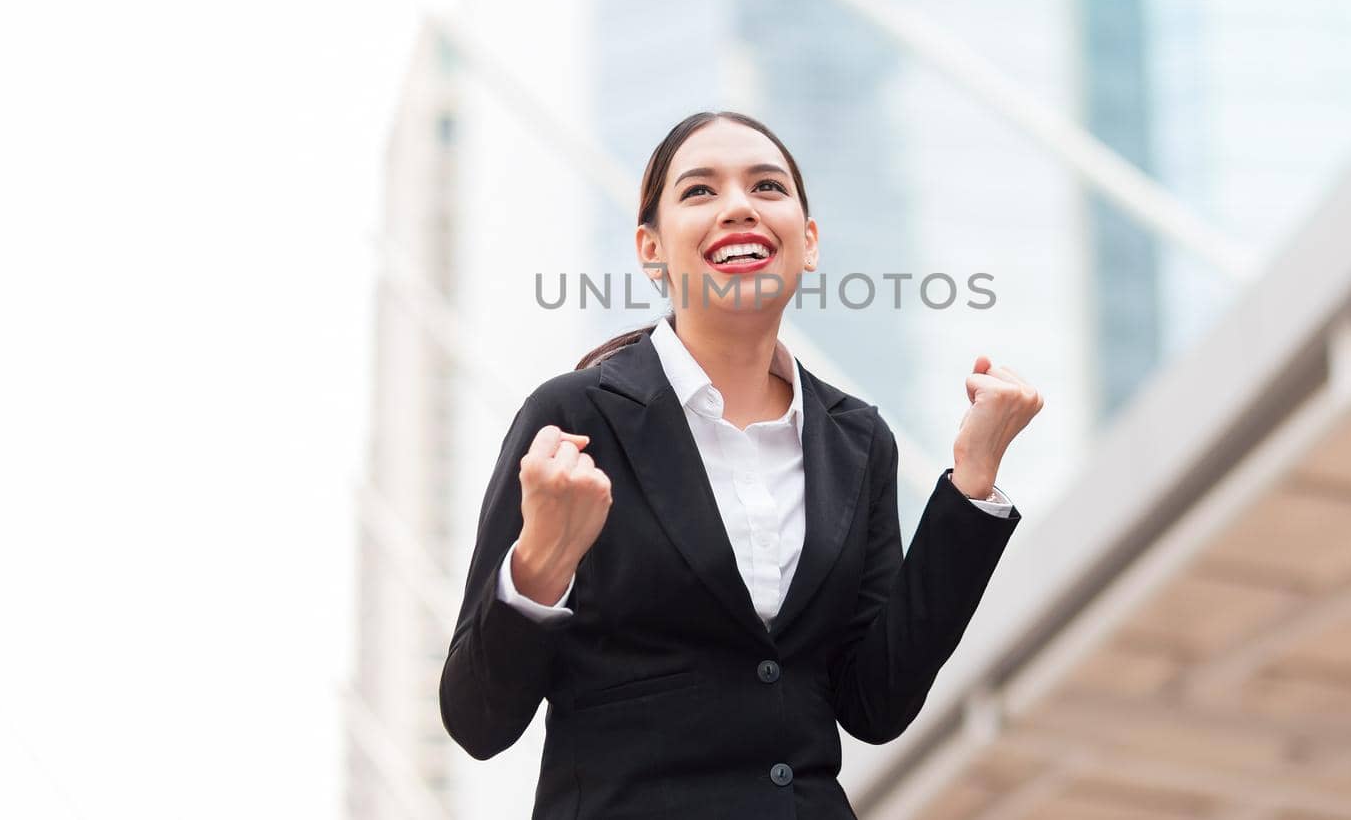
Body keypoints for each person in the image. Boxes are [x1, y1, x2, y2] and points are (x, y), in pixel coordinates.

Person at [440, 110, 1043, 819]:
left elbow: (874, 701)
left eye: (766, 186)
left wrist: (972, 481)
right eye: (700, 191)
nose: (738, 207)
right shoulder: (574, 420)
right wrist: (540, 564)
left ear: (808, 241)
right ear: (650, 249)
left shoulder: (857, 439)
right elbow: (477, 719)